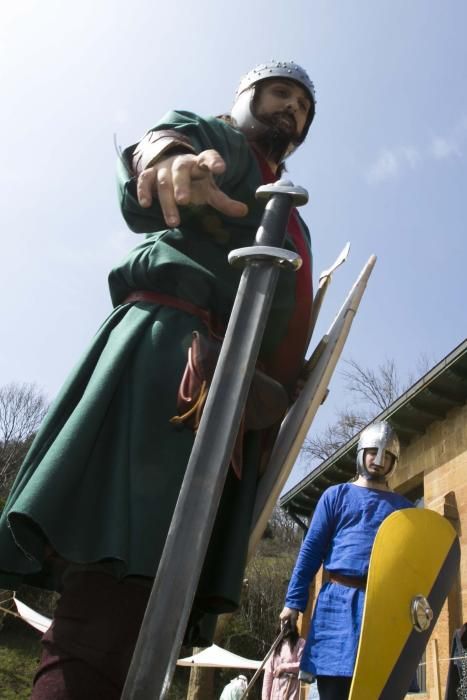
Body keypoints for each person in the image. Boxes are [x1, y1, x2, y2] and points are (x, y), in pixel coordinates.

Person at [0, 61, 316, 699]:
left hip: (229, 403)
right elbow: (166, 147)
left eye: (304, 110)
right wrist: (170, 162)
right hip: (169, 359)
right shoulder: (222, 145)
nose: (292, 112)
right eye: (280, 95)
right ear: (246, 98)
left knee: (147, 614)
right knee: (112, 588)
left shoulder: (292, 211)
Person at [279, 421, 414, 700]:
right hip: (337, 605)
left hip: (382, 607)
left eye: (387, 455)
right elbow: (311, 551)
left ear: (394, 462)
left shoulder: (405, 509)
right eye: (373, 452)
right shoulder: (336, 496)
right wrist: (293, 602)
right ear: (361, 453)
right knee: (334, 691)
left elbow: (412, 567)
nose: (379, 461)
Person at [262, 625, 305, 700]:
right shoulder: (276, 646)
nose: (285, 625)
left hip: (292, 688)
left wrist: (284, 667)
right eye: (283, 622)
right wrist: (265, 698)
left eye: (287, 622)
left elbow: (303, 664)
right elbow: (268, 675)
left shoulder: (301, 642)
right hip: (276, 691)